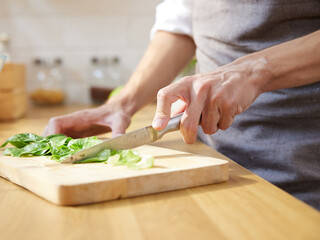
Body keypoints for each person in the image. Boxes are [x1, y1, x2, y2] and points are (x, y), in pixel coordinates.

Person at [44, 0, 320, 209]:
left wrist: (253, 70)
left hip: (304, 164)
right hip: (215, 161)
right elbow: (182, 19)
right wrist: (124, 103)